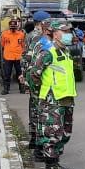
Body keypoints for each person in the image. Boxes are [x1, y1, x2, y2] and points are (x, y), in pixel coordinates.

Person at [28, 19, 77, 169]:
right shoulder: (47, 52)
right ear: (55, 34)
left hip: (66, 98)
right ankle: (51, 168)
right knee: (51, 135)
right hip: (52, 100)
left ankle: (56, 163)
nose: (69, 35)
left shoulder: (65, 51)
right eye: (65, 32)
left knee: (64, 133)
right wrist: (43, 93)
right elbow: (34, 74)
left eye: (70, 32)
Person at [23, 11, 52, 154]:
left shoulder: (29, 35)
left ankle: (34, 139)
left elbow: (25, 57)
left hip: (31, 75)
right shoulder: (39, 37)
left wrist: (24, 78)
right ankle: (39, 142)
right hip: (37, 77)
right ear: (41, 23)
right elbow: (30, 58)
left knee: (34, 109)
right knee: (40, 110)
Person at [0, 19, 26, 94]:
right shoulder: (4, 34)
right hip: (8, 56)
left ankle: (22, 88)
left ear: (17, 26)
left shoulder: (21, 34)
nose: (13, 28)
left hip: (18, 56)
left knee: (20, 73)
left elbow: (23, 45)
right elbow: (2, 44)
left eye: (14, 27)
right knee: (7, 73)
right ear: (9, 26)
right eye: (11, 27)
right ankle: (6, 89)